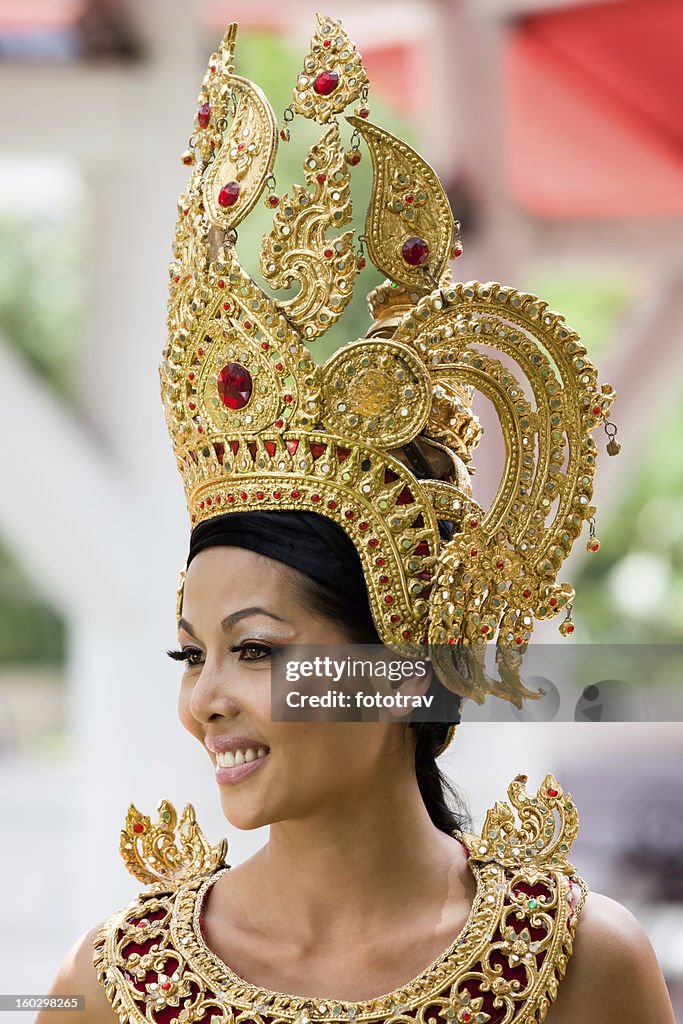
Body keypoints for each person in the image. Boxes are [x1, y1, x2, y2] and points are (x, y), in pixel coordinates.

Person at [40, 14, 675, 1024]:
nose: (202, 698)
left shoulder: (579, 967)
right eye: (187, 654)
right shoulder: (113, 986)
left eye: (254, 650)